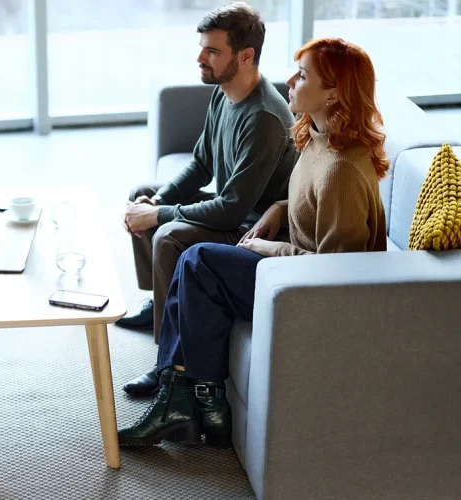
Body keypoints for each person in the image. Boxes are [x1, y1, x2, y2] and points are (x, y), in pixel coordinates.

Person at [117, 37, 388, 447]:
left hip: (311, 293)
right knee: (196, 269)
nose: (290, 80)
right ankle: (196, 400)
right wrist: (279, 207)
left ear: (334, 92)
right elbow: (311, 196)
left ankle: (190, 401)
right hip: (293, 272)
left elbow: (335, 272)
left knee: (198, 262)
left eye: (303, 75)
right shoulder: (319, 137)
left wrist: (268, 248)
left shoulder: (343, 170)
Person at [119, 2, 298, 397]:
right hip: (233, 208)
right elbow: (201, 163)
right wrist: (156, 202)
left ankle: (167, 363)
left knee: (169, 234)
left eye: (213, 51)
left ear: (246, 56)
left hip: (252, 228)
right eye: (203, 48)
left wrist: (159, 216)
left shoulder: (265, 118)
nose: (200, 58)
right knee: (142, 195)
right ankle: (159, 302)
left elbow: (233, 208)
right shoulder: (224, 93)